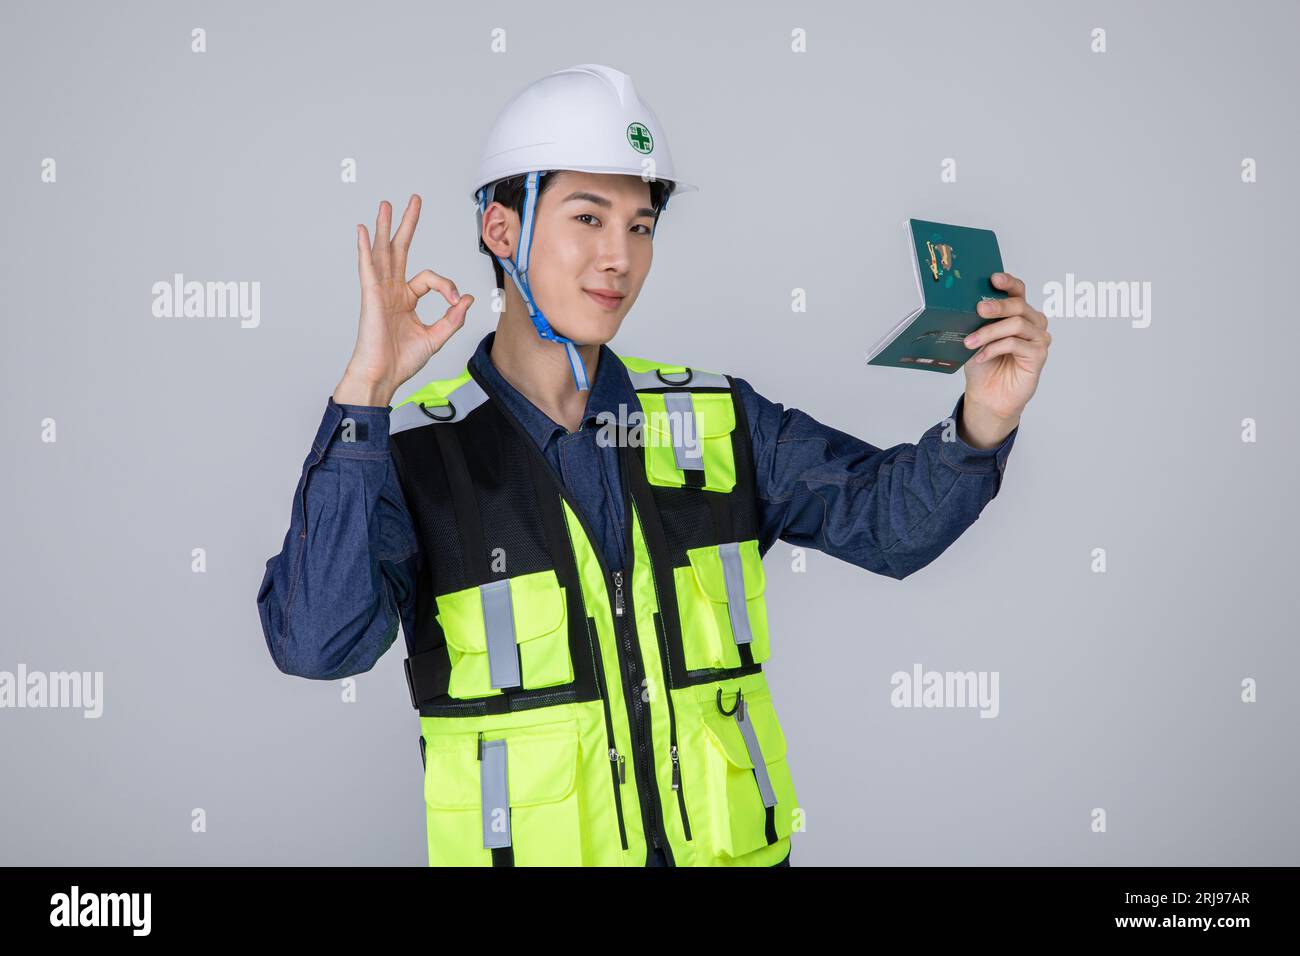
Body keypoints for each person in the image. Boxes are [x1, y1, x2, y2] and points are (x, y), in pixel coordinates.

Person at [256, 64, 1050, 868]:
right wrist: (364, 398)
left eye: (640, 226)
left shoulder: (716, 421)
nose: (619, 258)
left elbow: (892, 528)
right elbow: (318, 644)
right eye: (588, 218)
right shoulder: (415, 454)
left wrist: (983, 420)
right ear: (502, 231)